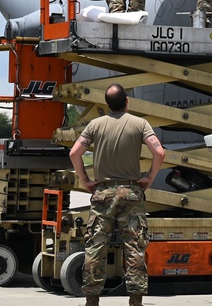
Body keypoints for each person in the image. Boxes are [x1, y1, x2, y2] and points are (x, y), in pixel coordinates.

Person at [69, 83, 166, 306]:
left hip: (102, 193)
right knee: (134, 248)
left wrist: (86, 181)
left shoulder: (95, 125)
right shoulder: (140, 124)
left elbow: (75, 152)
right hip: (131, 193)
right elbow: (159, 152)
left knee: (96, 247)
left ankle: (92, 300)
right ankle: (135, 301)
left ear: (108, 105)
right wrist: (149, 177)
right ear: (127, 102)